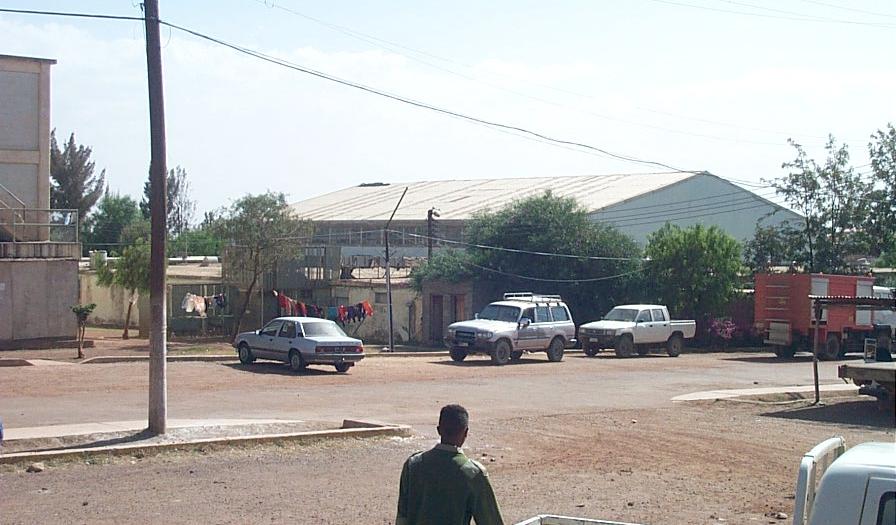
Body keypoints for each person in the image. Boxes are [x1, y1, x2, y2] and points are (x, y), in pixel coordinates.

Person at [396, 404, 504, 525]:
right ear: (466, 433)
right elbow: (490, 521)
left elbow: (402, 516)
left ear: (439, 430)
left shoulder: (413, 464)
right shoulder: (472, 473)